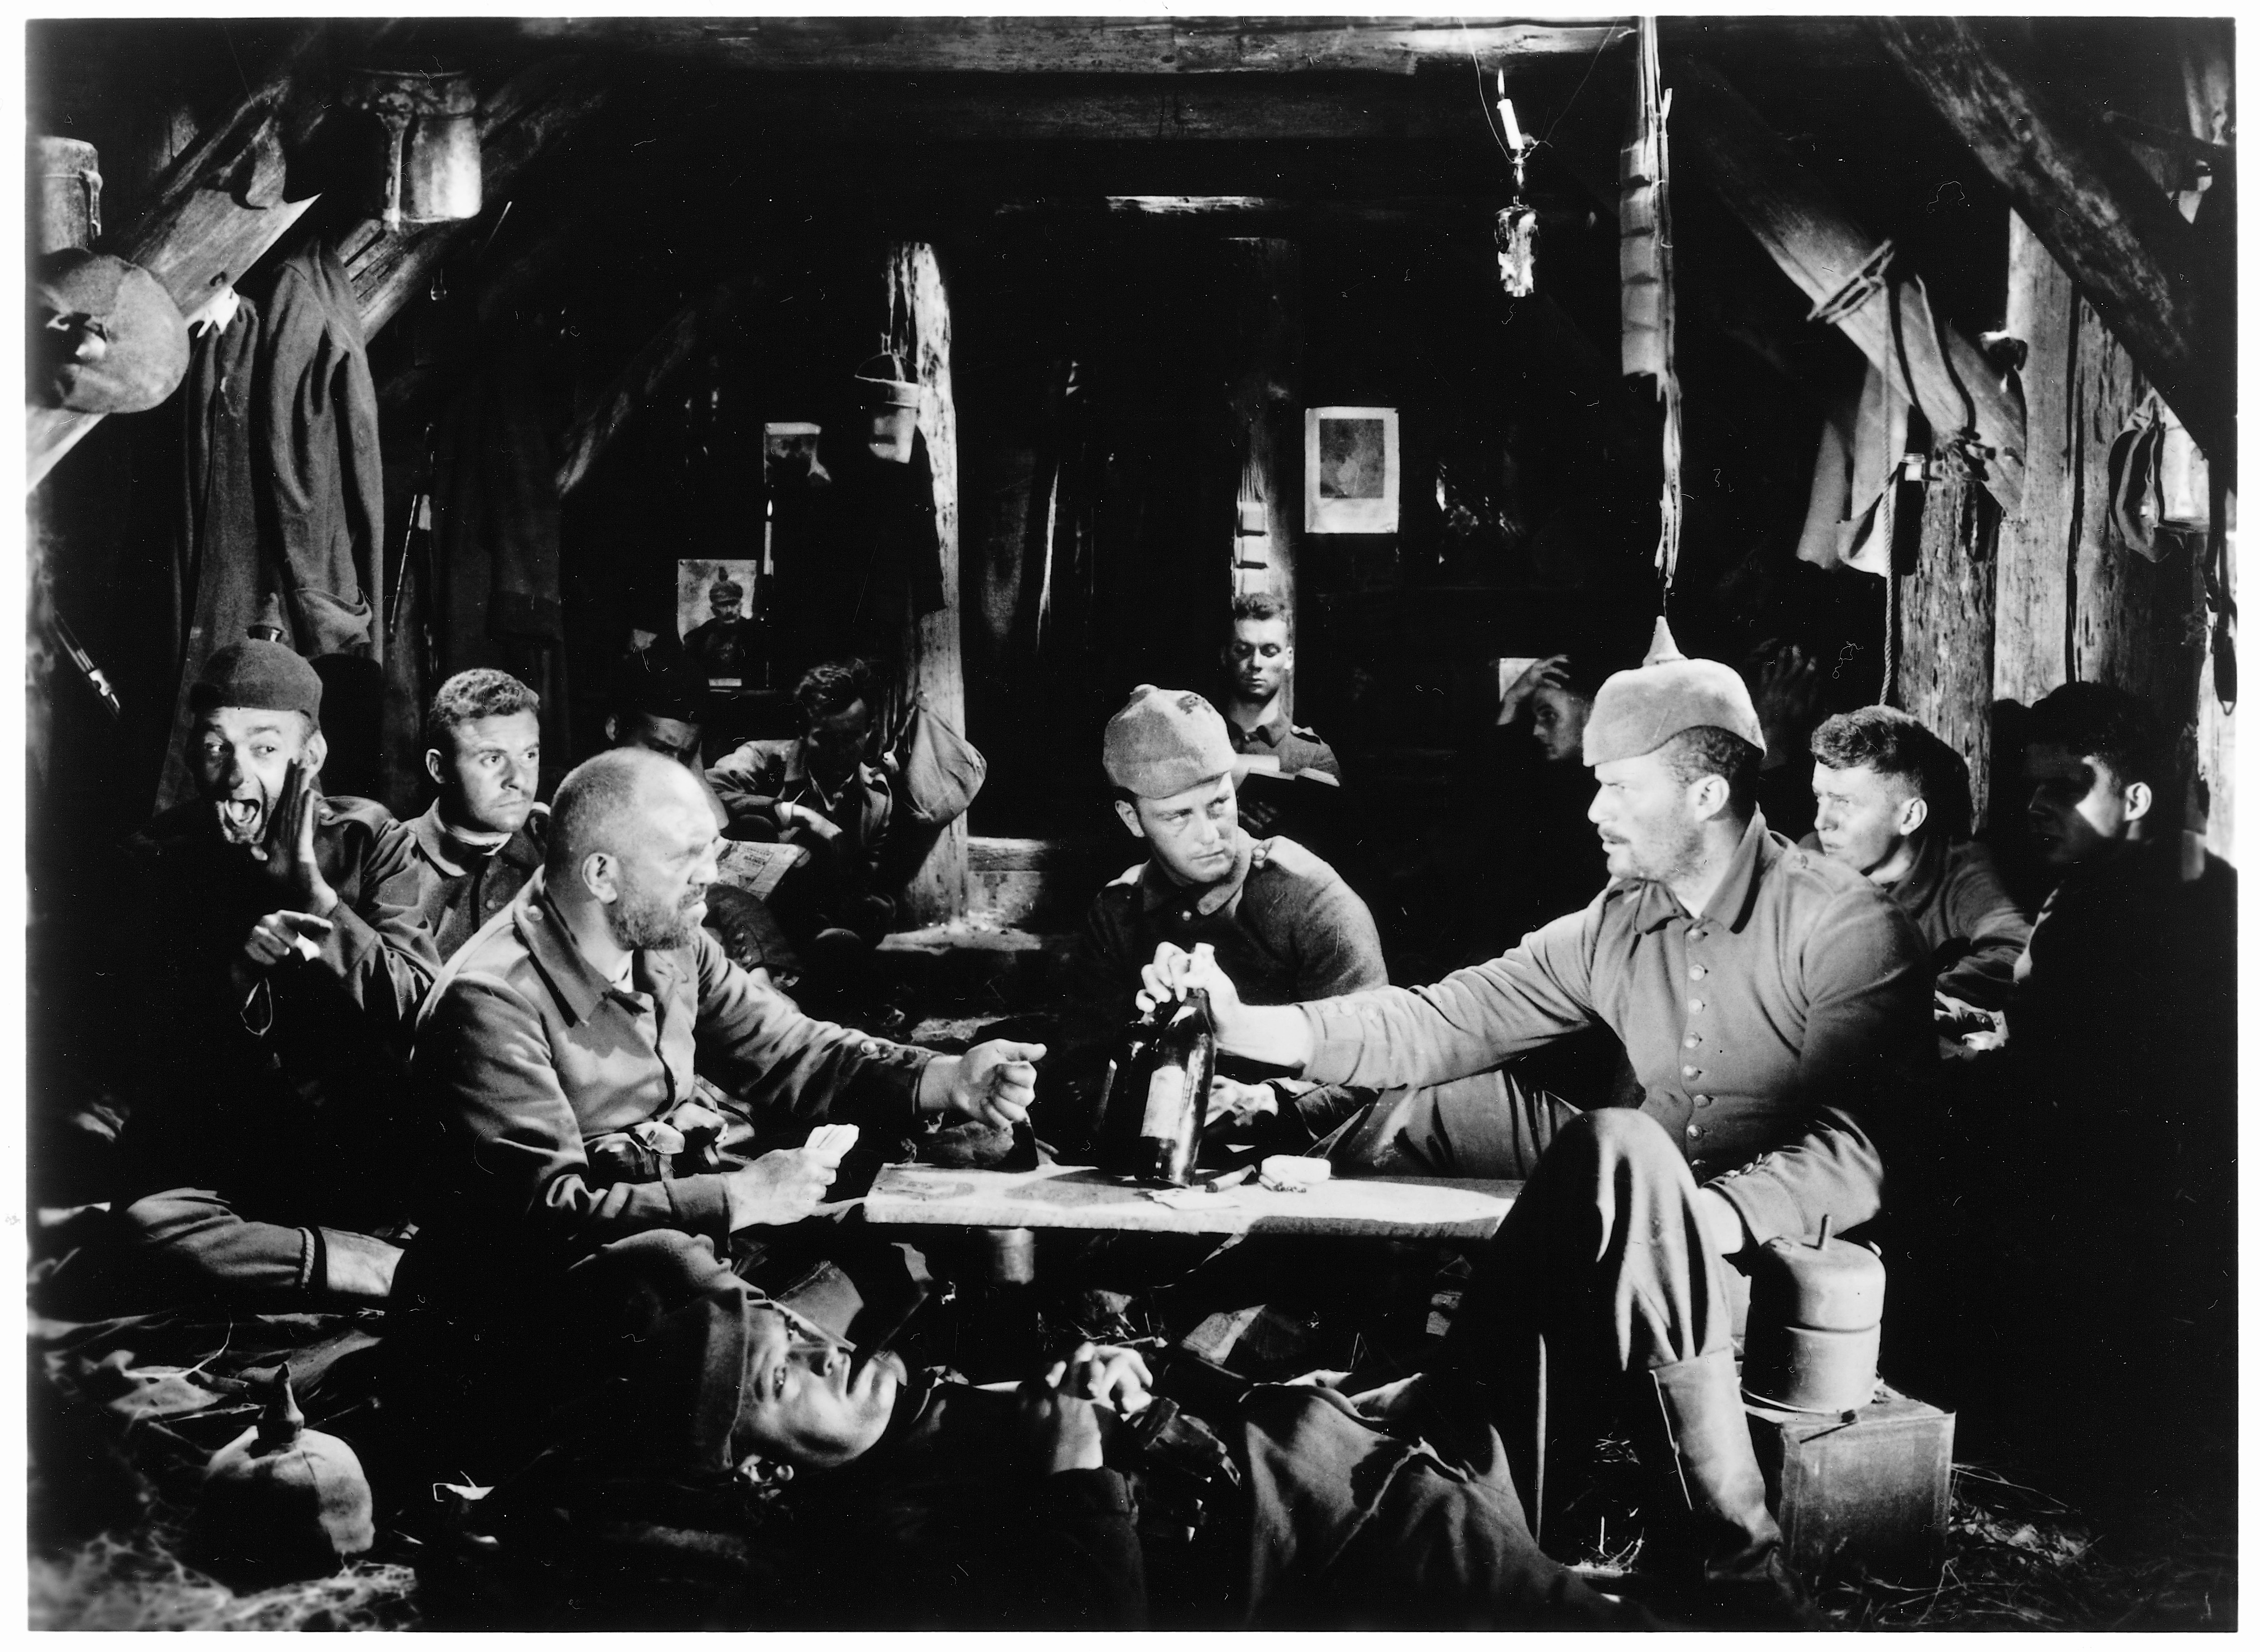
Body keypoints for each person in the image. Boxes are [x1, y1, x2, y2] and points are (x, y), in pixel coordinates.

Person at [1138, 620, 1933, 1621]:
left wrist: (1704, 1220)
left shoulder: (1840, 922)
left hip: (1744, 1243)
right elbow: (1444, 1017)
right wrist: (1244, 1025)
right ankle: (1277, 1349)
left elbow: (1862, 1146)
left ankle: (1734, 1569)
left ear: (1702, 793)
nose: (1591, 804)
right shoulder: (1620, 916)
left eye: (1617, 784)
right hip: (1631, 1203)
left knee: (1616, 1144)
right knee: (1432, 1104)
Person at [390, 747, 1049, 1489]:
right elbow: (542, 1216)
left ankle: (931, 1428)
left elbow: (792, 1047)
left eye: (714, 848)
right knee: (775, 1357)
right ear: (602, 875)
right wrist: (737, 1198)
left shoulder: (669, 944)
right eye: (688, 856)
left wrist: (944, 1077)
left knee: (903, 1255)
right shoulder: (491, 1002)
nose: (715, 874)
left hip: (680, 1264)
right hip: (543, 1316)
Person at [113, 641, 440, 1302]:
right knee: (142, 1227)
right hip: (224, 1158)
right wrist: (239, 978)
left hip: (358, 1151)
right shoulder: (155, 856)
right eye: (215, 748)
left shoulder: (370, 840)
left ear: (310, 756)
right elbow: (141, 1056)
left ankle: (323, 1253)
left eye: (264, 749)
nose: (235, 776)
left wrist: (320, 900)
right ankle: (355, 1264)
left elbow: (422, 1008)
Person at [1053, 684, 1386, 1156]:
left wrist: (1268, 1103)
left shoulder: (1311, 899)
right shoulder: (1118, 914)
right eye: (1177, 817)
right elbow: (1081, 1072)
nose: (1209, 835)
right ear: (1132, 818)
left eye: (1219, 804)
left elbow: (1378, 1057)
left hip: (1293, 1163)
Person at [1807, 705, 2032, 1017]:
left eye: (1845, 802)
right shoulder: (1810, 858)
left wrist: (1925, 999)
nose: (1822, 822)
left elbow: (2018, 947)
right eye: (1820, 796)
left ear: (1910, 816)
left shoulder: (1961, 872)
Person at [709, 657, 899, 955]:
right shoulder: (764, 761)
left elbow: (876, 887)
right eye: (825, 740)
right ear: (802, 729)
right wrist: (797, 815)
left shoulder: (877, 799)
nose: (839, 752)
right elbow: (707, 789)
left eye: (851, 738)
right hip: (749, 922)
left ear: (869, 731)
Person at [403, 667, 547, 961]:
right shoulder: (391, 862)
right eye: (493, 759)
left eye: (529, 755)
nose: (518, 779)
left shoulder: (554, 855)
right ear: (439, 768)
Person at [682, 574, 770, 686]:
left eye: (733, 604)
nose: (729, 611)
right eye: (723, 605)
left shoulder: (756, 633)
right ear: (713, 609)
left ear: (741, 605)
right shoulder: (699, 637)